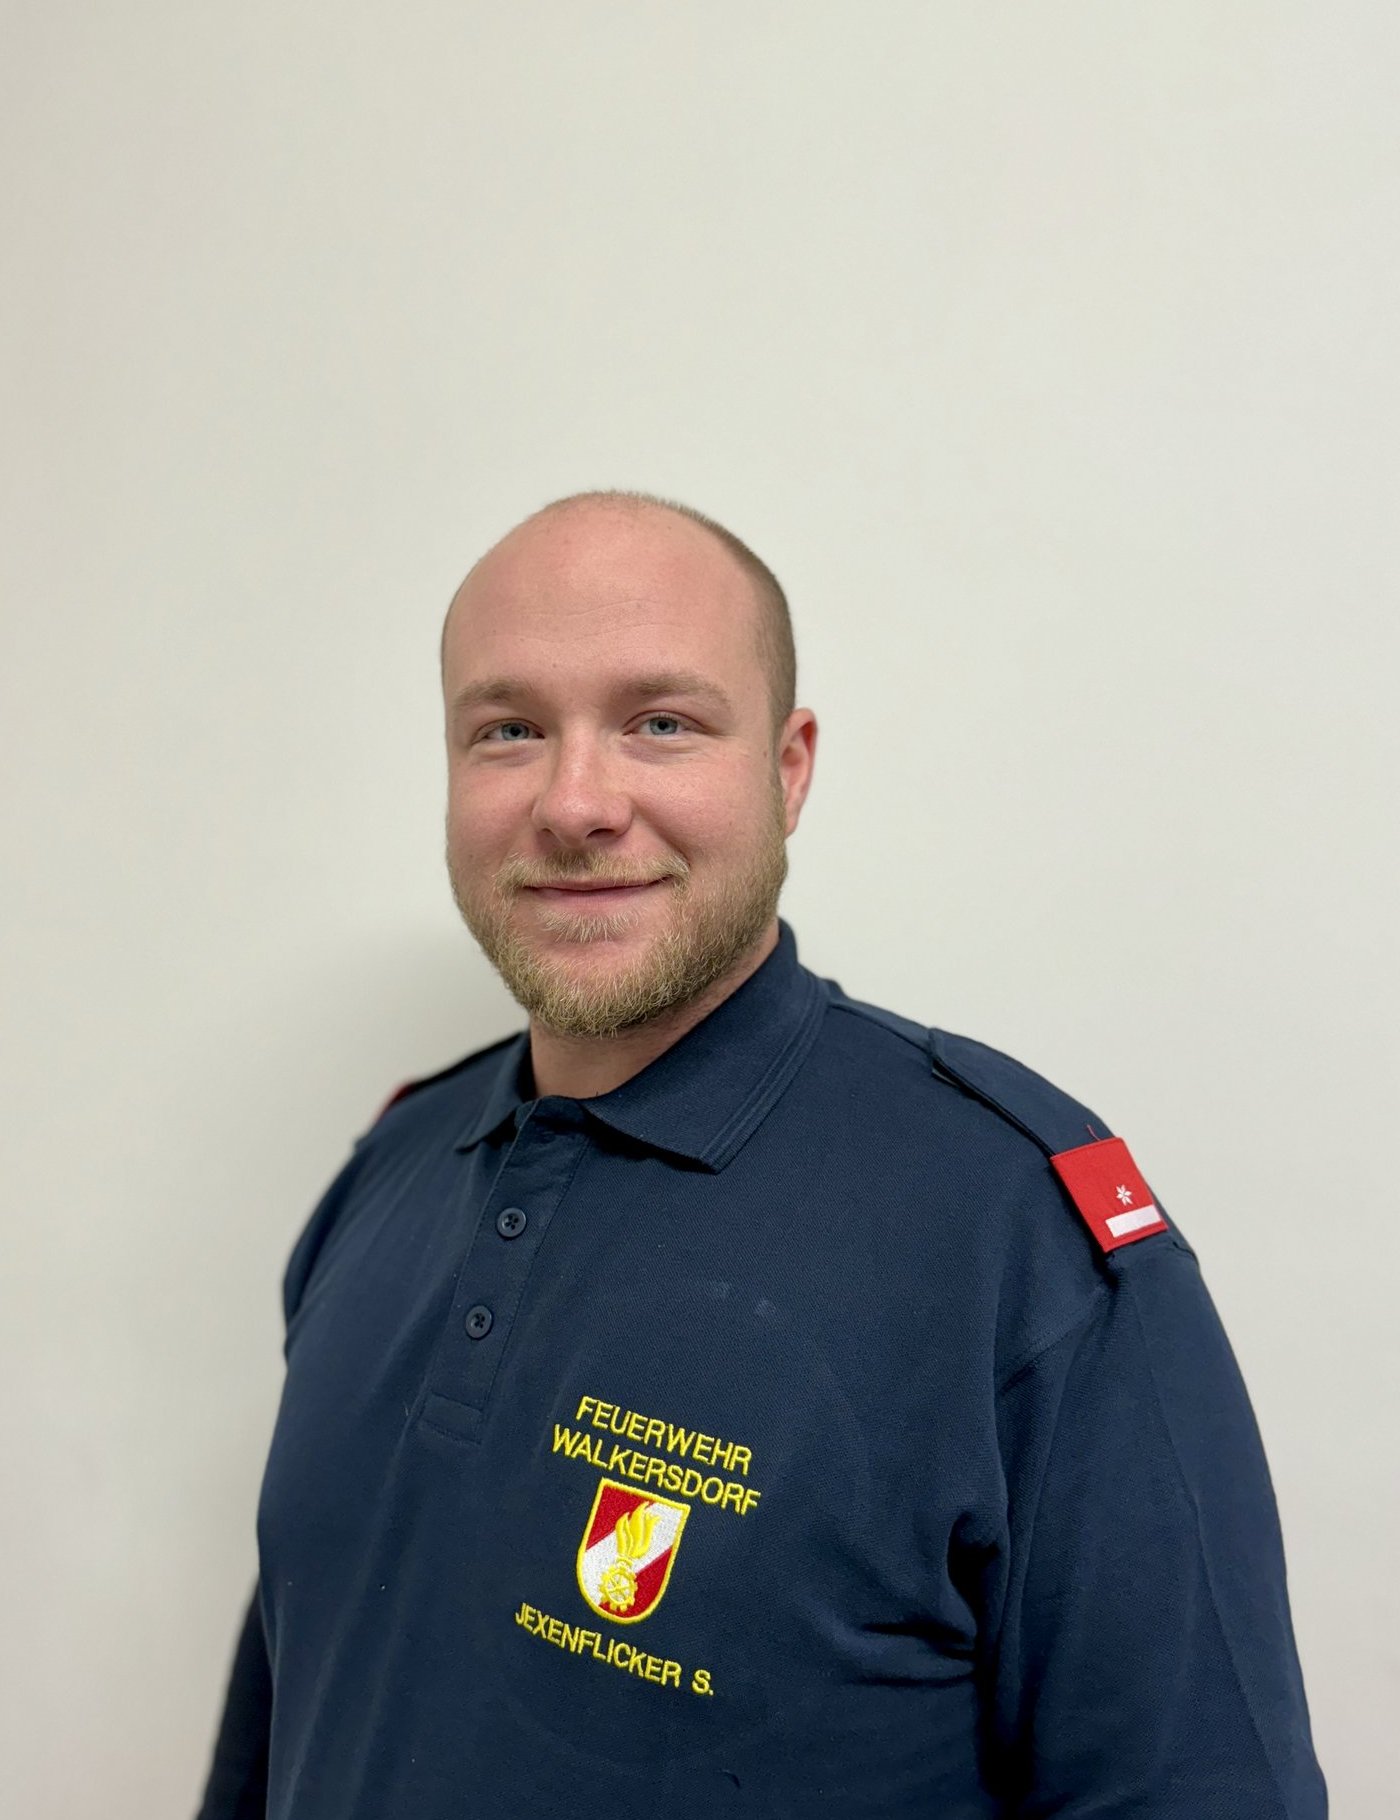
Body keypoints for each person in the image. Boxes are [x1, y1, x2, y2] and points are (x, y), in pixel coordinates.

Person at [196, 491, 1326, 1818]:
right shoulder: (389, 1171)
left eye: (660, 723)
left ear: (788, 770)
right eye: (508, 731)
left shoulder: (1019, 1242)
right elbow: (288, 1716)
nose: (575, 803)